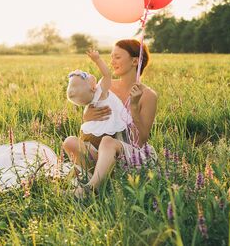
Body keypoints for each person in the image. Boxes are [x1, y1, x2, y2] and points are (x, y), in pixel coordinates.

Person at [63, 39, 158, 198]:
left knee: (107, 141)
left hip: (129, 155)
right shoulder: (106, 85)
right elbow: (92, 119)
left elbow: (141, 139)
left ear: (135, 61)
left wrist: (134, 107)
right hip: (101, 154)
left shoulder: (148, 95)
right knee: (70, 141)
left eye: (117, 57)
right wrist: (86, 116)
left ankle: (90, 190)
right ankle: (94, 178)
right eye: (111, 57)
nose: (112, 61)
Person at [66, 50, 128, 151]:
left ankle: (92, 154)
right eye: (85, 76)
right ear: (92, 88)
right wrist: (97, 60)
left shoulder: (91, 100)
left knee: (95, 147)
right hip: (111, 130)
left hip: (95, 133)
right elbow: (107, 74)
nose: (88, 73)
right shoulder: (100, 92)